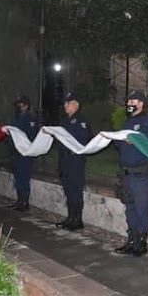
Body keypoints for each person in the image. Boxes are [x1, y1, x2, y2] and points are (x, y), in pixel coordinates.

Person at [113, 90, 148, 257]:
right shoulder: (128, 122)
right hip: (126, 174)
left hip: (140, 175)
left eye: (132, 101)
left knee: (141, 209)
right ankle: (131, 240)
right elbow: (120, 145)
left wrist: (136, 141)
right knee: (130, 208)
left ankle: (141, 243)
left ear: (141, 103)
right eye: (128, 101)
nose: (129, 104)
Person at [55, 92, 92, 231]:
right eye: (65, 103)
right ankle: (70, 217)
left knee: (75, 189)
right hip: (65, 159)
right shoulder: (64, 121)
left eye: (67, 103)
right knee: (68, 189)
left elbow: (84, 139)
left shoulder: (81, 120)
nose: (65, 105)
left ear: (75, 104)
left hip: (75, 159)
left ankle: (77, 219)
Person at [9, 95, 38, 211]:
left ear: (26, 106)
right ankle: (19, 200)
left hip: (24, 153)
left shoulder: (29, 118)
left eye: (20, 104)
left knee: (23, 177)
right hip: (15, 152)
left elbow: (31, 135)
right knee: (17, 177)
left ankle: (24, 202)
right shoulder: (16, 118)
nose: (18, 107)